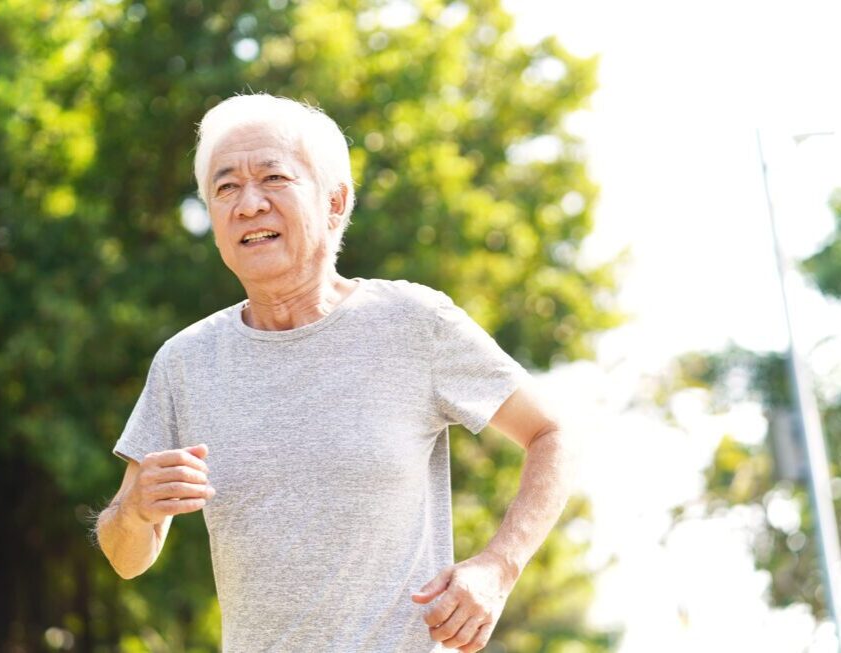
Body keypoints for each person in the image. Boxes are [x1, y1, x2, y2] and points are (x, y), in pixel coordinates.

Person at [94, 93, 571, 653]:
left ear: (335, 202)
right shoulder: (185, 361)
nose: (248, 204)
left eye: (273, 178)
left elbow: (552, 434)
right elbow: (127, 559)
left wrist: (498, 567)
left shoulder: (414, 323)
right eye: (225, 188)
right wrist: (134, 510)